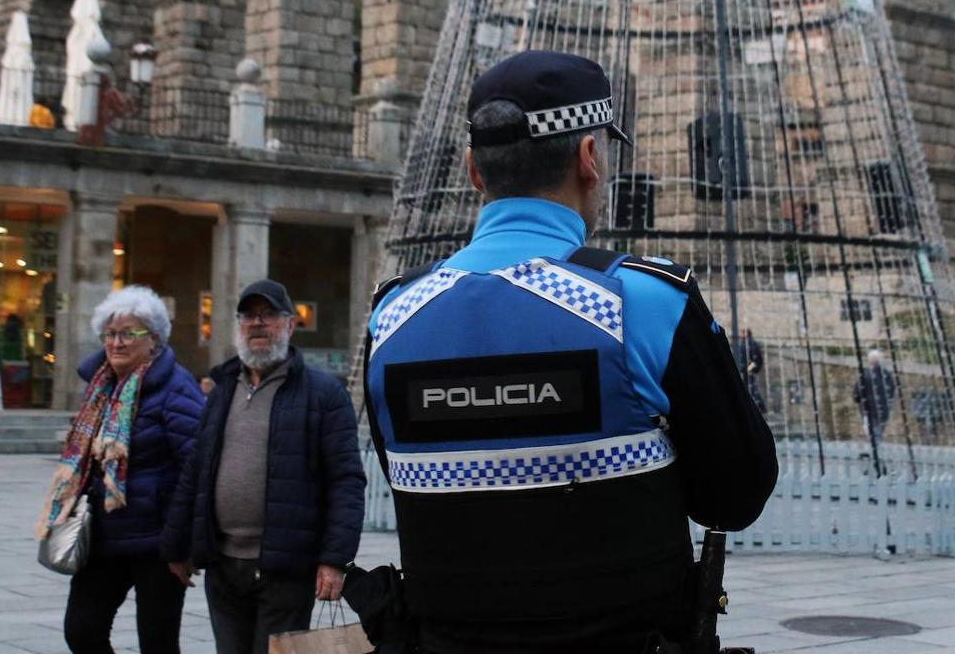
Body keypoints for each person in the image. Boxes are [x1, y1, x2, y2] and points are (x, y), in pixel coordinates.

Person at [364, 50, 778, 653]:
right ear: (589, 157)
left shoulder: (393, 317)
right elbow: (738, 495)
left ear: (474, 169)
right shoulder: (643, 301)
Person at [162, 279, 366, 654]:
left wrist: (334, 559)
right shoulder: (222, 389)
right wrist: (177, 546)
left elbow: (346, 481)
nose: (258, 323)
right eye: (249, 316)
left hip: (286, 568)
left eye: (269, 315)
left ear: (290, 325)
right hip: (224, 567)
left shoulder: (323, 394)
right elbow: (196, 471)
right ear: (238, 327)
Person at [35, 285, 203, 654]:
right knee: (81, 631)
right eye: (110, 334)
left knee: (158, 643)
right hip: (103, 537)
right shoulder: (100, 386)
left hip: (157, 544)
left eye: (129, 333)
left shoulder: (177, 390)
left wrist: (183, 541)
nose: (117, 342)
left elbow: (197, 467)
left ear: (154, 339)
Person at [853, 349, 896, 455]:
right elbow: (892, 391)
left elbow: (857, 393)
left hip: (868, 410)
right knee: (878, 432)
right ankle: (876, 451)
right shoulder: (886, 375)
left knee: (872, 432)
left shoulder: (865, 375)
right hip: (882, 410)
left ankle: (875, 454)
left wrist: (858, 399)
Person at [735, 328, 767, 412]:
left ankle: (760, 408)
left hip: (747, 371)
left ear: (746, 333)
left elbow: (755, 359)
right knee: (751, 388)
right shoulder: (748, 342)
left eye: (742, 333)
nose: (740, 335)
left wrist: (748, 369)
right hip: (747, 370)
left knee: (751, 388)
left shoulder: (749, 343)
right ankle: (758, 408)